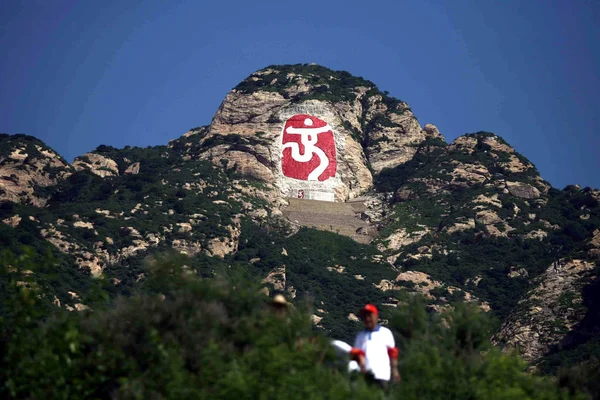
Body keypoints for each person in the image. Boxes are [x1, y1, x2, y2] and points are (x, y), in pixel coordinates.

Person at [350, 304, 400, 390]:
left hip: (382, 375)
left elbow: (392, 354)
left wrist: (395, 371)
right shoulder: (360, 336)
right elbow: (357, 354)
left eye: (369, 315)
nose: (367, 318)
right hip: (365, 377)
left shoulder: (385, 333)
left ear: (376, 316)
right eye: (365, 316)